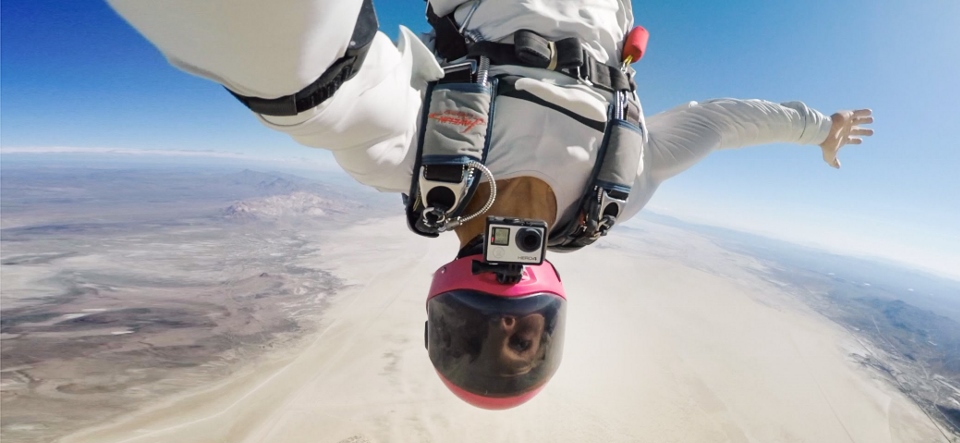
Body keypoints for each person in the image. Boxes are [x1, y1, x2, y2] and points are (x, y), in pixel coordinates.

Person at [107, 0, 874, 409]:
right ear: (550, 326)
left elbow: (321, 88)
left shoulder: (413, 163)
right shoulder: (615, 193)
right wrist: (816, 127)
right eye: (524, 344)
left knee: (301, 88)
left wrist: (294, 88)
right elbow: (718, 123)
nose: (506, 328)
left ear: (445, 313)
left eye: (474, 342)